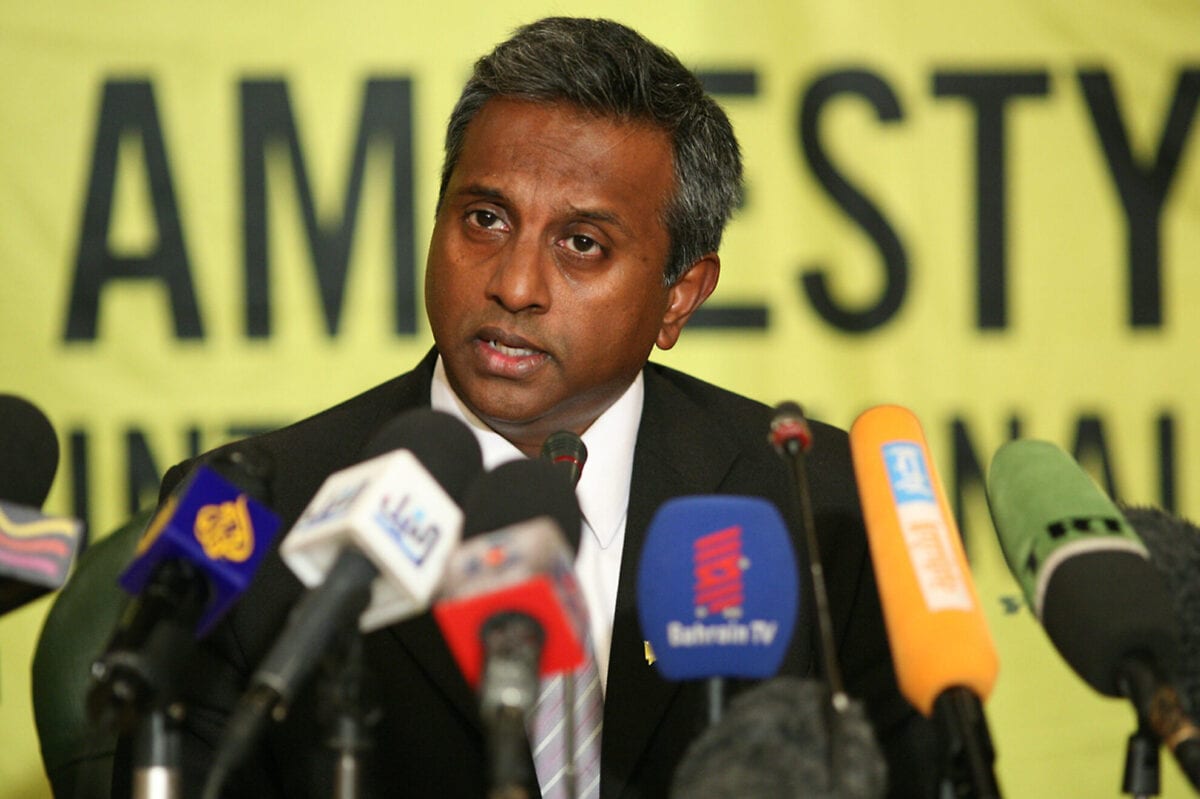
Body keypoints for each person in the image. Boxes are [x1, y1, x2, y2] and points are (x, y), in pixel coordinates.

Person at [114, 16, 937, 799]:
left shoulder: (817, 502)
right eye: (485, 218)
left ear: (679, 296)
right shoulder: (255, 506)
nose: (513, 284)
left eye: (582, 243)